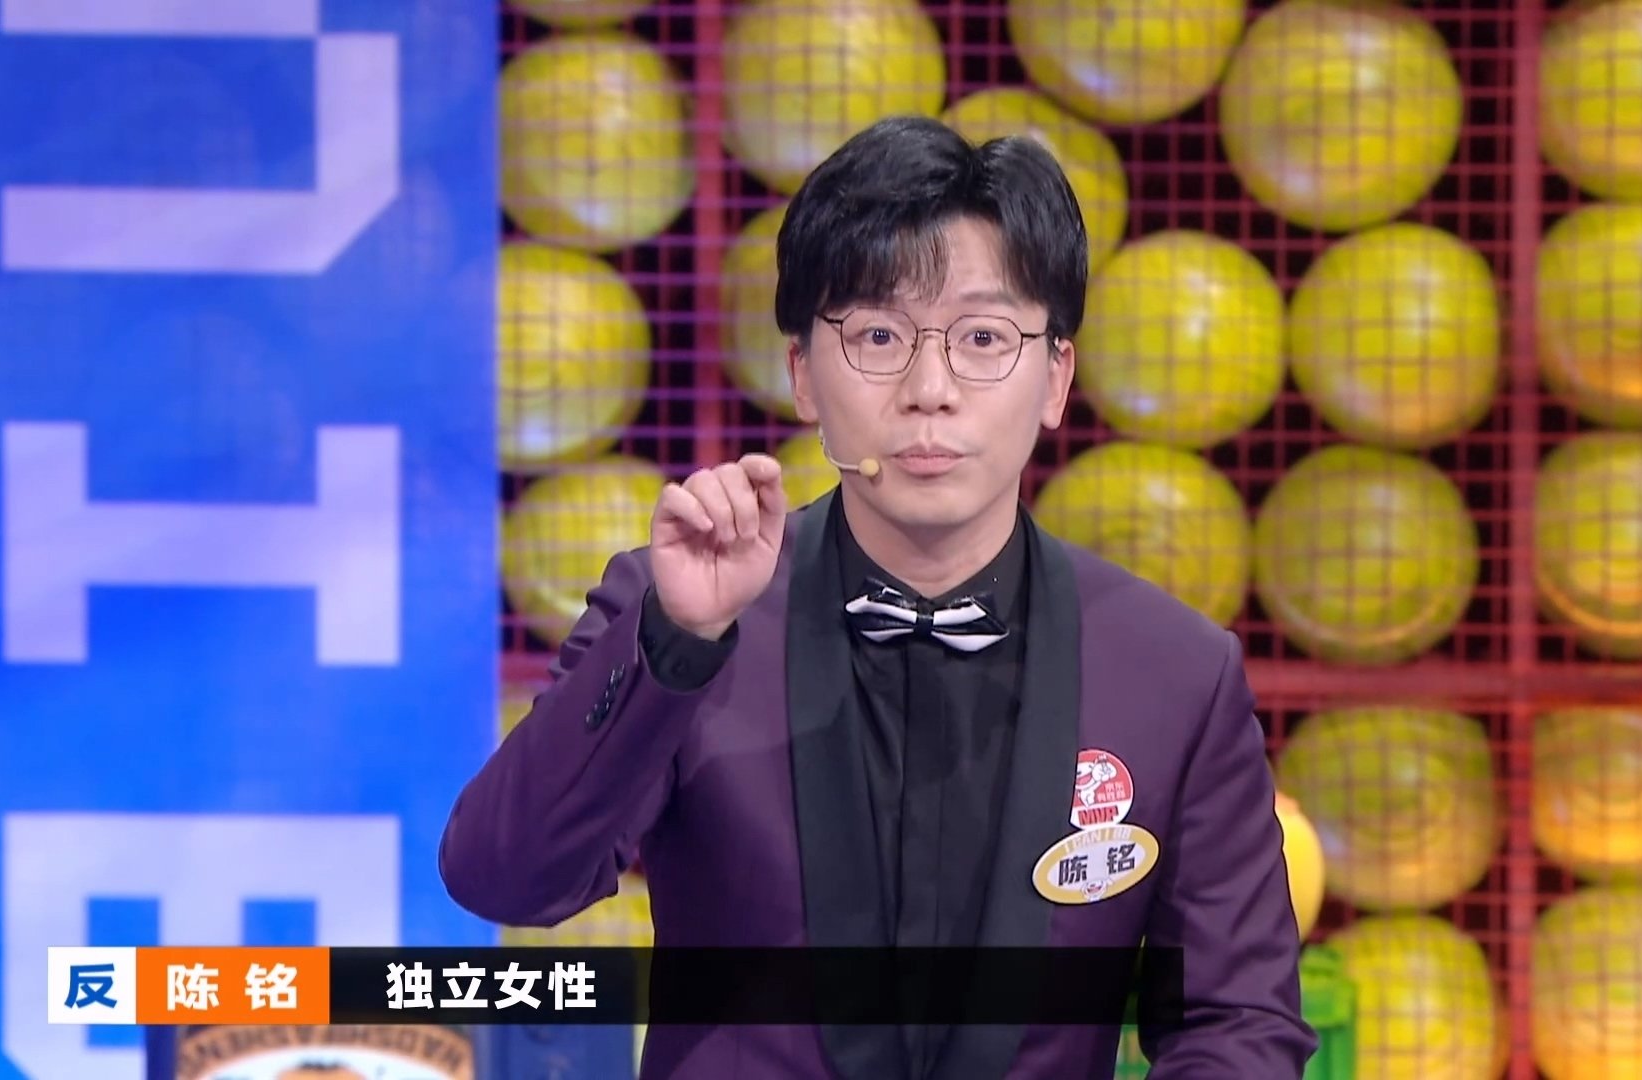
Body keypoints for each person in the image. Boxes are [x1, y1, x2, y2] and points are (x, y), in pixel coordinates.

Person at [442, 115, 1316, 1079]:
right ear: (803, 375)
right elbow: (503, 877)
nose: (929, 388)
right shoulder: (684, 610)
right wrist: (677, 645)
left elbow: (1238, 1022)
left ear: (1056, 377)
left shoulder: (1176, 673)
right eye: (878, 336)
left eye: (983, 337)